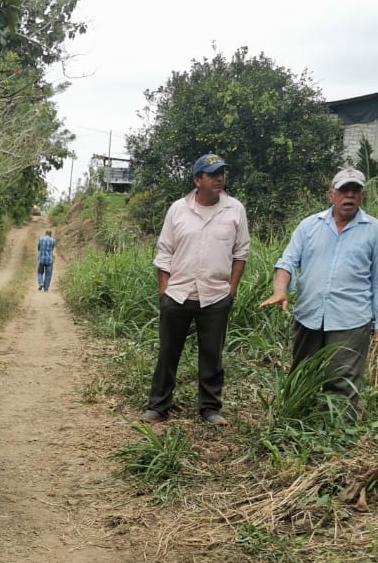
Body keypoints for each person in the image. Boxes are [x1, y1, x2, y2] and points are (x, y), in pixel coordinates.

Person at [142, 153, 250, 426]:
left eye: (221, 173)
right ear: (197, 180)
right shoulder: (178, 209)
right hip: (178, 294)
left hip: (215, 296)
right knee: (168, 353)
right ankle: (158, 406)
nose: (219, 178)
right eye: (212, 174)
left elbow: (240, 253)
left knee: (212, 356)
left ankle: (210, 409)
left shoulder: (235, 209)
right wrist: (164, 290)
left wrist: (231, 291)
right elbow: (165, 251)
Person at [259, 167, 378, 411]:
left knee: (342, 381)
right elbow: (287, 262)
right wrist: (280, 290)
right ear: (331, 195)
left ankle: (337, 430)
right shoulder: (309, 226)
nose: (349, 195)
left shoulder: (374, 230)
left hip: (351, 320)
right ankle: (296, 421)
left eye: (355, 190)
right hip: (309, 315)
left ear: (362, 195)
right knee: (302, 377)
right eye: (344, 190)